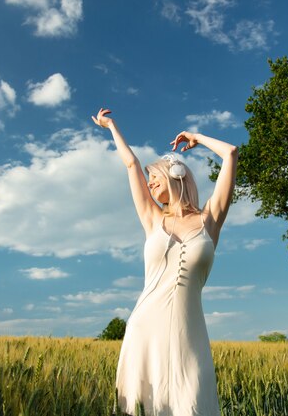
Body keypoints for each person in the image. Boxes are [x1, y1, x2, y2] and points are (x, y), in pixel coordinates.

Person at [92, 108, 238, 416]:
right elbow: (130, 163)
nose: (150, 184)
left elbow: (231, 153)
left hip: (191, 337)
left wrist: (197, 137)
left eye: (154, 177)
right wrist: (111, 126)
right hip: (146, 329)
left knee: (193, 404)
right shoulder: (152, 218)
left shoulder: (210, 220)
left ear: (176, 175)